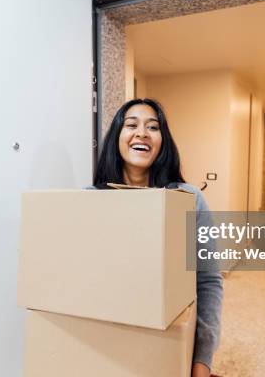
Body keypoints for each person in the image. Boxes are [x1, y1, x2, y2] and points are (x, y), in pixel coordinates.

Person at [92, 98, 223, 377]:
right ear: (117, 137)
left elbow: (209, 281)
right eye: (131, 125)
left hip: (169, 348)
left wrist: (202, 360)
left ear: (162, 141)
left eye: (153, 127)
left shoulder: (189, 199)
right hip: (106, 348)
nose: (142, 133)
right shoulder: (91, 200)